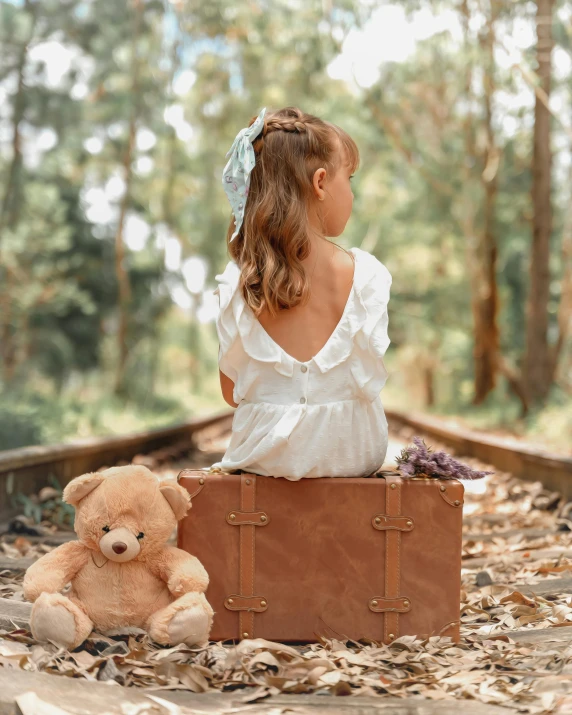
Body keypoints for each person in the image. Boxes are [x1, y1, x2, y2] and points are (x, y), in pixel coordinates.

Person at [210, 106, 392, 480]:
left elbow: (231, 394)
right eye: (350, 179)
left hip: (266, 461)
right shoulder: (367, 275)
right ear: (321, 183)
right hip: (352, 458)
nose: (352, 194)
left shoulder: (237, 284)